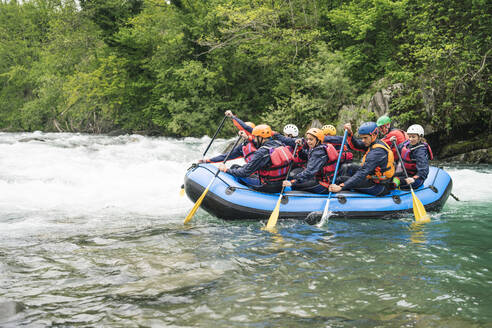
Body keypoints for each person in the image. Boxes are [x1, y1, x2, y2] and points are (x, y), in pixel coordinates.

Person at [219, 124, 293, 193]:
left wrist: (225, 170)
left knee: (234, 169)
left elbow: (244, 173)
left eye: (255, 137)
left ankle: (238, 192)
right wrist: (247, 138)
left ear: (260, 137)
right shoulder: (280, 144)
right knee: (237, 167)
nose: (254, 139)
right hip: (280, 185)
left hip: (266, 186)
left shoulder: (262, 152)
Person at [329, 122, 395, 196]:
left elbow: (362, 172)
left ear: (374, 135)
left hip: (379, 186)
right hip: (372, 177)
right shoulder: (371, 143)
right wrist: (350, 133)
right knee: (347, 167)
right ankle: (346, 189)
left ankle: (341, 191)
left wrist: (341, 186)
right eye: (362, 138)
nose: (363, 140)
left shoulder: (378, 152)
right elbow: (356, 145)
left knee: (341, 180)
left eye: (365, 138)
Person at [282, 128, 339, 194]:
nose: (308, 141)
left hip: (324, 185)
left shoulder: (319, 153)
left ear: (318, 140)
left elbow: (309, 172)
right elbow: (305, 157)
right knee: (297, 178)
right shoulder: (318, 148)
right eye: (307, 139)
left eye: (311, 139)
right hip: (320, 180)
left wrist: (292, 182)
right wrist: (300, 148)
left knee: (295, 186)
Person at [391, 124, 433, 190]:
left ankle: (393, 187)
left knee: (397, 180)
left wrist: (414, 178)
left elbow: (423, 170)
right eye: (409, 136)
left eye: (413, 137)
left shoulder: (421, 151)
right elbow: (397, 149)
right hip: (406, 173)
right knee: (390, 177)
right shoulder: (407, 144)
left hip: (417, 178)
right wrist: (393, 142)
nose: (410, 139)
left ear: (420, 137)